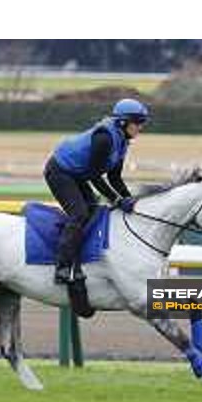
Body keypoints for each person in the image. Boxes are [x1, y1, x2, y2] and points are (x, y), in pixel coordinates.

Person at [43, 98, 150, 284]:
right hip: (59, 172)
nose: (141, 127)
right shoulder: (104, 139)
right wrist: (116, 201)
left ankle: (82, 257)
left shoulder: (123, 141)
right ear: (123, 122)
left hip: (77, 174)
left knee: (93, 210)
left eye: (142, 123)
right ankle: (62, 266)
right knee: (80, 214)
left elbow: (114, 178)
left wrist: (129, 199)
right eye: (138, 122)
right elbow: (95, 176)